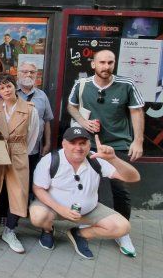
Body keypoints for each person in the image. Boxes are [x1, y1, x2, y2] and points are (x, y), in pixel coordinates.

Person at [67, 49, 144, 257]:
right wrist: (83, 122)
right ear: (93, 64)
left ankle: (122, 231)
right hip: (88, 144)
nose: (106, 66)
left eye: (110, 62)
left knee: (120, 190)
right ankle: (87, 228)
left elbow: (137, 111)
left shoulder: (126, 84)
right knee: (87, 187)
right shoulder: (81, 84)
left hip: (117, 145)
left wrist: (138, 141)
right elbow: (71, 106)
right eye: (102, 62)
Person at [30, 128, 141, 260]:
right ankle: (48, 230)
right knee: (38, 216)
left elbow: (133, 178)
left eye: (82, 143)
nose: (78, 147)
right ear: (64, 144)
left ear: (89, 145)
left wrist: (113, 159)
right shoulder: (50, 160)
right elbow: (38, 189)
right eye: (73, 143)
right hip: (54, 208)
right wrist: (60, 209)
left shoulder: (95, 159)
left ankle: (80, 234)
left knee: (123, 227)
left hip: (89, 210)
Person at [0, 73, 39, 254]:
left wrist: (21, 151)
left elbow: (33, 136)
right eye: (1, 88)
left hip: (18, 153)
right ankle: (0, 224)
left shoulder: (29, 109)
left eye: (8, 86)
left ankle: (10, 230)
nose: (6, 90)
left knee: (18, 192)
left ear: (14, 86)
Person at [16, 62, 53, 199]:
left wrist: (47, 143)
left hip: (34, 149)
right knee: (13, 181)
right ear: (18, 73)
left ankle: (25, 207)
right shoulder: (10, 92)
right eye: (25, 71)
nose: (28, 74)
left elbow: (47, 120)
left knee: (30, 177)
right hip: (14, 148)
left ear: (36, 75)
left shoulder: (42, 96)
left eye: (32, 72)